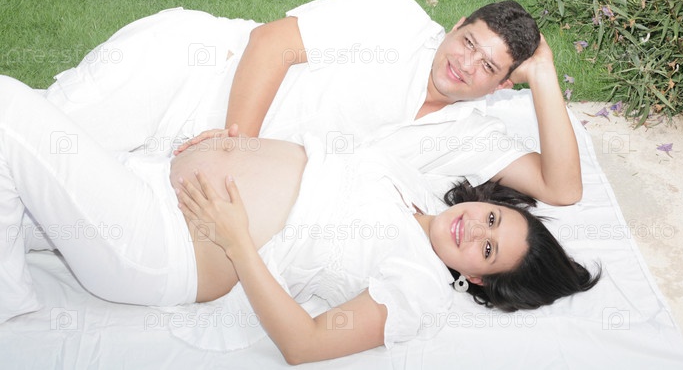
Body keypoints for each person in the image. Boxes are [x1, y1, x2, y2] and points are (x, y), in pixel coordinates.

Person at [0, 76, 599, 363]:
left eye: (487, 249)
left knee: (9, 112)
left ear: (479, 280)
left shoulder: (419, 288)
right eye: (493, 218)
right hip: (149, 178)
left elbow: (304, 344)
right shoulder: (417, 191)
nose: (476, 228)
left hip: (161, 244)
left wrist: (238, 242)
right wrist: (232, 145)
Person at [44, 0, 581, 206]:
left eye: (488, 66)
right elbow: (270, 42)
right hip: (186, 72)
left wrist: (545, 72)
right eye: (469, 43)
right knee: (38, 144)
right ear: (458, 24)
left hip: (201, 167)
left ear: (503, 85)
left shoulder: (470, 133)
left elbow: (562, 188)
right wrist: (237, 148)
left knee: (64, 207)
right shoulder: (395, 19)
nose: (465, 64)